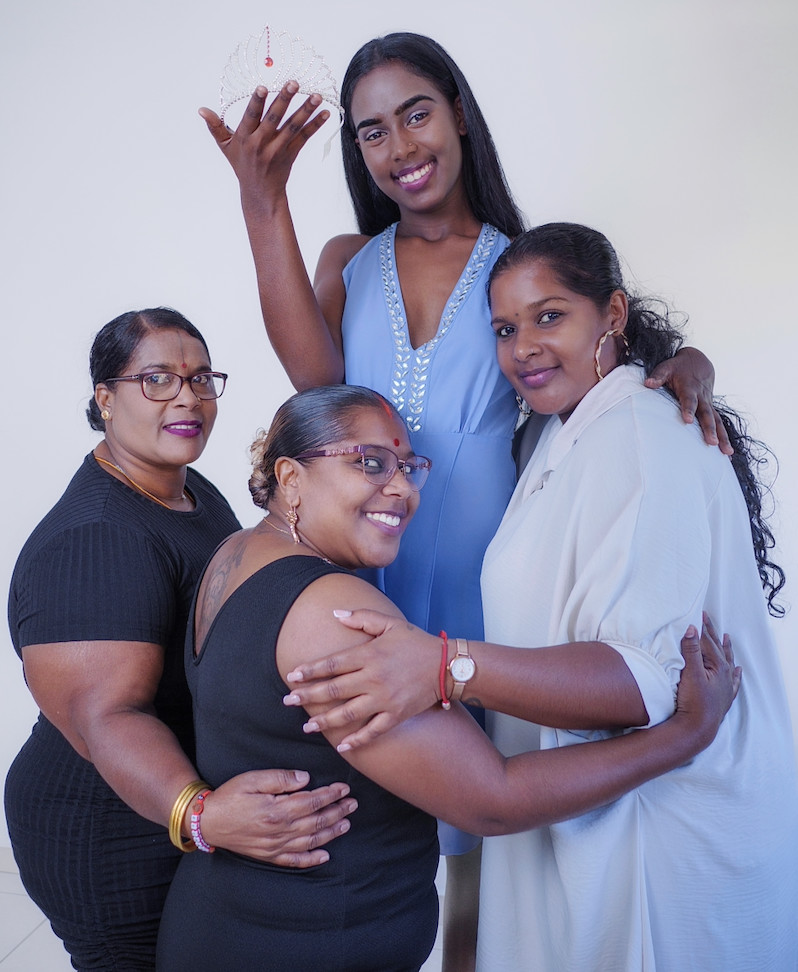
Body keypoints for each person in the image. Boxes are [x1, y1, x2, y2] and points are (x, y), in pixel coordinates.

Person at [200, 33, 730, 967]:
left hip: (489, 598)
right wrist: (263, 200)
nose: (400, 148)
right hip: (366, 587)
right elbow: (314, 381)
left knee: (492, 838)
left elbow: (598, 353)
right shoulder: (346, 258)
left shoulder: (514, 261)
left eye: (416, 114)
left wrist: (688, 363)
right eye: (371, 133)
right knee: (371, 825)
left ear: (457, 113)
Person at [282, 225, 798, 971]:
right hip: (577, 812)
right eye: (504, 328)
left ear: (612, 315)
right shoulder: (555, 435)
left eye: (549, 316)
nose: (523, 346)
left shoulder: (644, 439)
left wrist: (444, 666)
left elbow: (646, 682)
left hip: (664, 837)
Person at [154, 383, 738, 972]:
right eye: (371, 463)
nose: (402, 488)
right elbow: (492, 800)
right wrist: (682, 735)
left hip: (226, 923)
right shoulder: (336, 611)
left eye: (409, 468)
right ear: (291, 477)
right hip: (295, 942)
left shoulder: (235, 555)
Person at [4, 308, 356, 971]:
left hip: (164, 803)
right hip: (103, 824)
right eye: (158, 379)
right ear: (106, 399)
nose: (187, 397)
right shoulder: (98, 537)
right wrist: (199, 814)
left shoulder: (192, 493)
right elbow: (105, 716)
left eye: (200, 378)